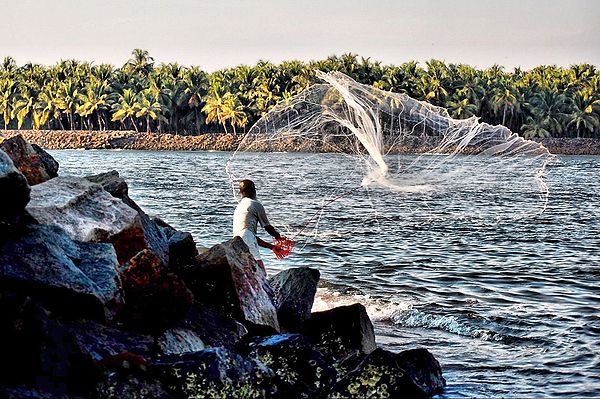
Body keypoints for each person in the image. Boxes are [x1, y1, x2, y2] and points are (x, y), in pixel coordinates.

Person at [233, 179, 281, 270]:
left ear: (241, 192)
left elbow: (249, 235)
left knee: (248, 270)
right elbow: (267, 227)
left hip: (236, 243)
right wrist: (278, 237)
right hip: (247, 240)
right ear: (253, 191)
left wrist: (272, 247)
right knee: (260, 270)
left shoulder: (239, 207)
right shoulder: (255, 204)